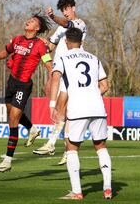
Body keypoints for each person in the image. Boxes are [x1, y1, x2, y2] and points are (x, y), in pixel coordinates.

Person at [0, 13, 53, 172]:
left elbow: (48, 63)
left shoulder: (39, 45)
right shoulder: (17, 39)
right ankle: (32, 129)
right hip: (12, 82)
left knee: (13, 118)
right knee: (12, 113)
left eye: (33, 21)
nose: (28, 21)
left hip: (23, 85)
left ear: (37, 28)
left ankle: (7, 161)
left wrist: (50, 80)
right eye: (29, 19)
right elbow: (5, 52)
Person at [50, 28, 112, 200]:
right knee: (101, 147)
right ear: (82, 42)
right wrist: (91, 94)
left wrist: (52, 104)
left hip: (78, 109)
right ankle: (107, 188)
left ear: (66, 42)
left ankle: (77, 192)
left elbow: (55, 79)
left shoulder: (63, 58)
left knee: (71, 148)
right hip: (98, 108)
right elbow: (105, 86)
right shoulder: (94, 58)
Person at [33, 0, 87, 166]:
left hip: (72, 71)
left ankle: (53, 144)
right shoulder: (59, 29)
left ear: (73, 8)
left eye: (67, 9)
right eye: (62, 10)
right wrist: (36, 44)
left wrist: (52, 17)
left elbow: (66, 24)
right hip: (60, 71)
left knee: (63, 109)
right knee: (63, 111)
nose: (65, 12)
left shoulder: (79, 24)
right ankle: (64, 149)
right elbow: (49, 47)